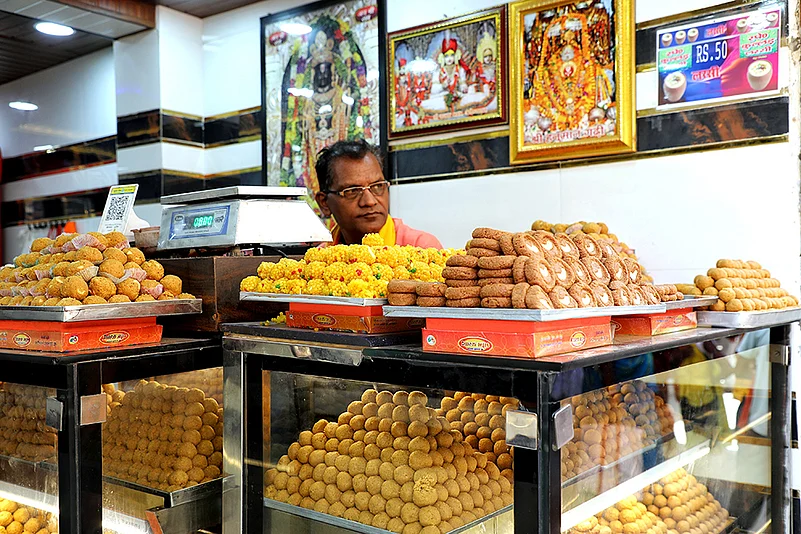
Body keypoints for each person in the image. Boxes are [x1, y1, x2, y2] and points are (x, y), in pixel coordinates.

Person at [314, 140, 443, 248]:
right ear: (324, 203)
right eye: (352, 191)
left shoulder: (421, 249)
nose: (369, 201)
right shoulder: (320, 259)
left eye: (377, 186)